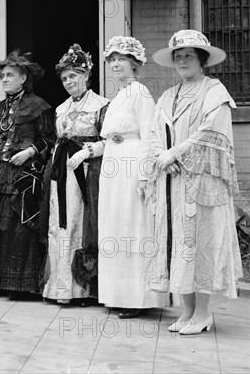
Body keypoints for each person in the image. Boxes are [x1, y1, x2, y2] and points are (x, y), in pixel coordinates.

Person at [147, 29, 243, 334]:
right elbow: (152, 133)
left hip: (202, 184)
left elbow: (210, 135)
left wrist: (176, 154)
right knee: (177, 244)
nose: (182, 61)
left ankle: (203, 314)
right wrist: (162, 156)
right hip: (172, 183)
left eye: (188, 55)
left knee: (201, 242)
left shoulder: (214, 91)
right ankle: (187, 311)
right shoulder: (167, 95)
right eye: (178, 56)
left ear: (202, 59)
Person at [98, 36, 169, 318]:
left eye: (121, 60)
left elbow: (148, 135)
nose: (116, 64)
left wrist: (143, 176)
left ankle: (136, 298)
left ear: (134, 64)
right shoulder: (118, 95)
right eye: (112, 60)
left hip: (130, 162)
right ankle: (117, 295)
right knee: (114, 226)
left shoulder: (140, 92)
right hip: (112, 161)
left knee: (131, 226)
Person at [0, 51, 55, 299]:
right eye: (3, 76)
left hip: (22, 172)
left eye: (10, 75)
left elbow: (49, 140)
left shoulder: (38, 105)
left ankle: (19, 284)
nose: (5, 79)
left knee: (16, 225)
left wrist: (29, 152)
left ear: (23, 78)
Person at [40, 44, 109, 306]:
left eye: (74, 76)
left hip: (87, 173)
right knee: (59, 225)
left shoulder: (101, 105)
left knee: (82, 225)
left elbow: (108, 141)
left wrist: (88, 152)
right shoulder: (60, 109)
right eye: (65, 78)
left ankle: (82, 289)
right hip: (62, 172)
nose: (69, 82)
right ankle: (59, 287)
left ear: (86, 76)